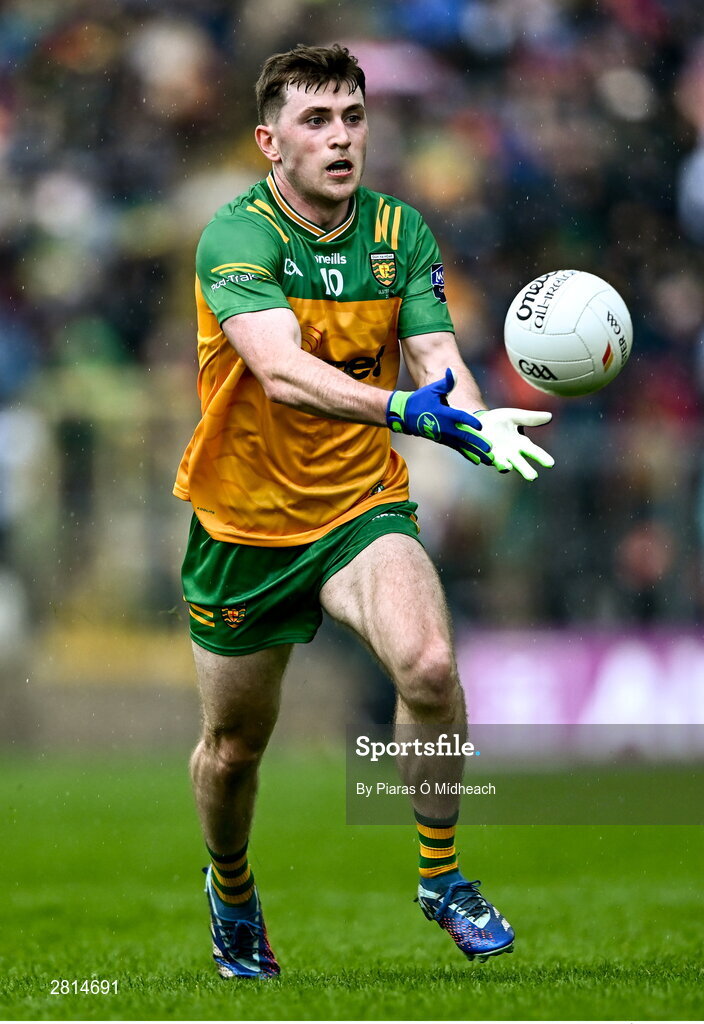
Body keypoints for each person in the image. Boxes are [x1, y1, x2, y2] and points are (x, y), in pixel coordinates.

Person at [174, 42, 553, 980]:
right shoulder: (236, 236)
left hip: (359, 505)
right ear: (270, 142)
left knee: (428, 665)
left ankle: (441, 876)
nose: (340, 138)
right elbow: (280, 370)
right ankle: (231, 892)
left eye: (352, 117)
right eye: (316, 121)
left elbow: (436, 360)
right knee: (233, 749)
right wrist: (408, 412)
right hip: (243, 525)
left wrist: (475, 419)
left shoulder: (400, 233)